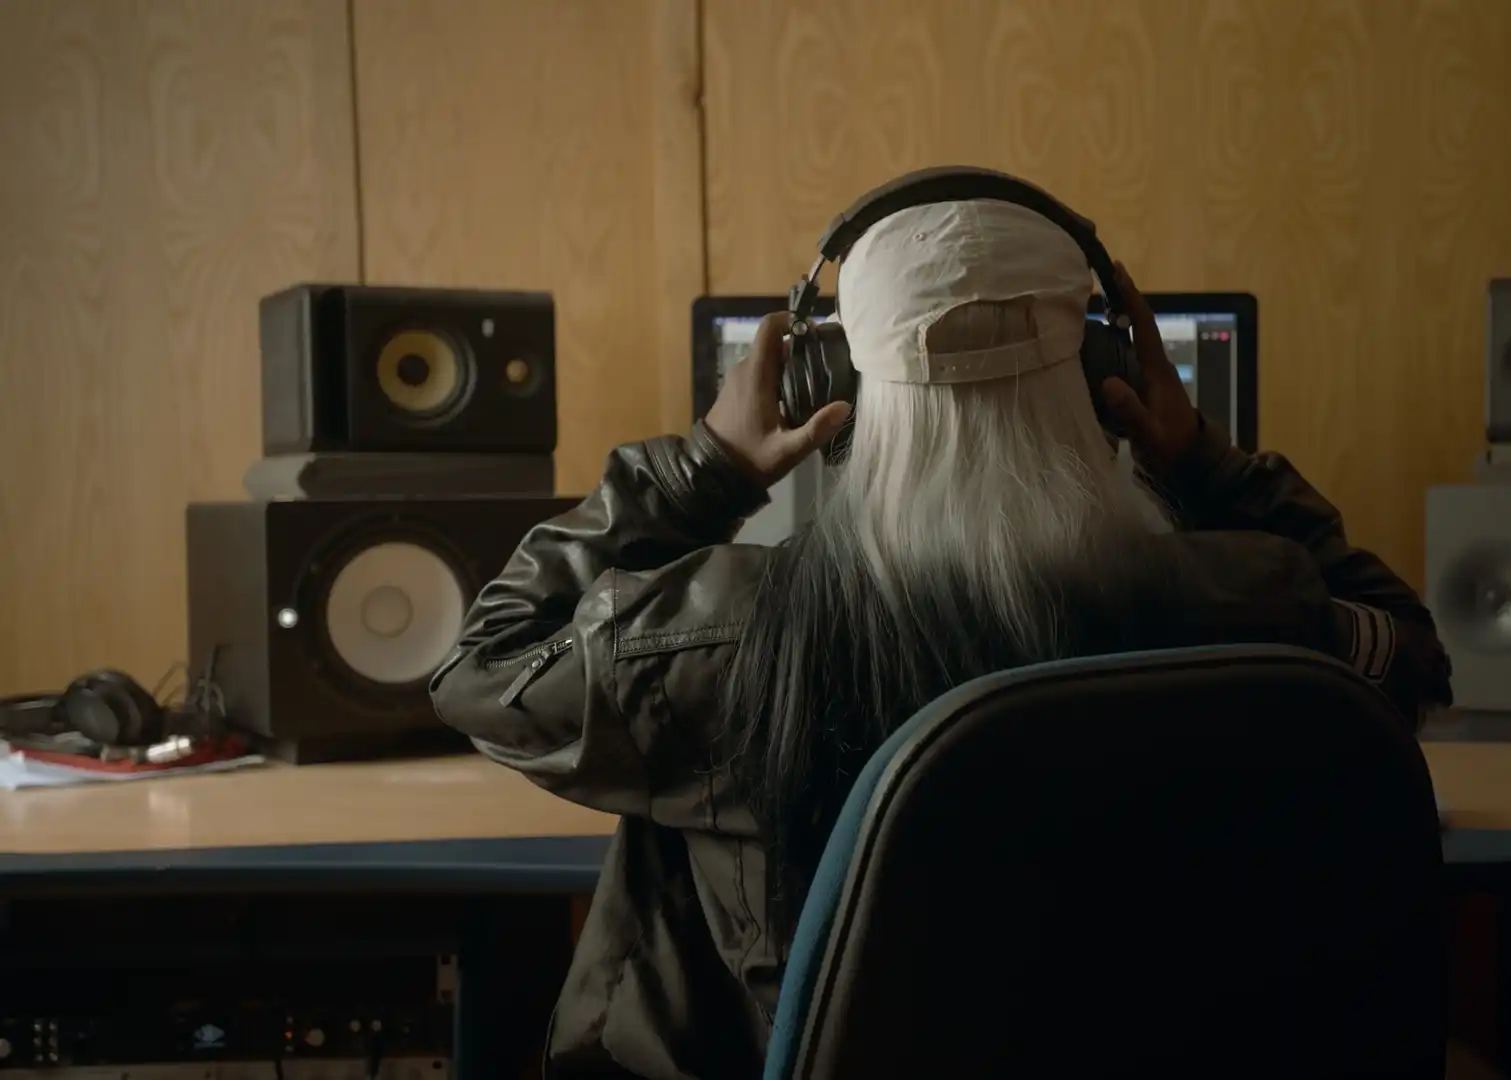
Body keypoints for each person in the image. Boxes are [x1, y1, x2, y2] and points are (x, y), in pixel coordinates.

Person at [429, 198, 1453, 1080]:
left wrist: (708, 468)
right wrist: (1206, 466)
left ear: (834, 383)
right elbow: (1408, 654)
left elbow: (483, 669)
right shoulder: (1257, 602)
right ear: (1109, 377)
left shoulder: (717, 643)